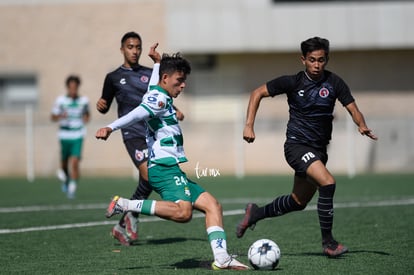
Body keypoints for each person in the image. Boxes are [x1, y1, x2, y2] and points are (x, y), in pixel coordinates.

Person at [96, 47, 249, 270]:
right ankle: (125, 204)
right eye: (179, 80)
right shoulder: (159, 99)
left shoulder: (159, 93)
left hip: (172, 169)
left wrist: (157, 64)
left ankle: (222, 257)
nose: (183, 85)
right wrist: (110, 127)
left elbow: (151, 88)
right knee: (183, 213)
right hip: (163, 169)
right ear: (166, 79)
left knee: (212, 205)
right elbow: (137, 113)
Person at [236, 37, 378, 257]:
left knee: (298, 201)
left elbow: (352, 107)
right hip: (296, 147)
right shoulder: (292, 82)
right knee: (328, 183)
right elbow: (257, 93)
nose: (317, 65)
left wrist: (362, 125)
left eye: (321, 60)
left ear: (326, 59)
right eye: (312, 60)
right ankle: (329, 243)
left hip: (318, 151)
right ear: (303, 60)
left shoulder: (334, 82)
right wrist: (249, 125)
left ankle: (255, 213)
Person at [97, 32, 184, 246]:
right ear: (122, 49)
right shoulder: (113, 77)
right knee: (148, 173)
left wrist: (175, 109)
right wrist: (102, 106)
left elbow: (160, 96)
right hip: (131, 132)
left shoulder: (150, 73)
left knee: (149, 177)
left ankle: (124, 222)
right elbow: (105, 103)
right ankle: (130, 216)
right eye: (130, 47)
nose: (134, 51)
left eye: (137, 47)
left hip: (151, 133)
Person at [51, 75, 90, 199]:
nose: (73, 90)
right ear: (68, 87)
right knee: (63, 164)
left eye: (75, 87)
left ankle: (72, 189)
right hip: (64, 135)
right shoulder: (61, 101)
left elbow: (87, 115)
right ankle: (66, 180)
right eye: (71, 87)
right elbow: (53, 117)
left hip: (77, 134)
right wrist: (61, 116)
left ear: (78, 87)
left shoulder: (83, 101)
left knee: (74, 162)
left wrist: (85, 119)